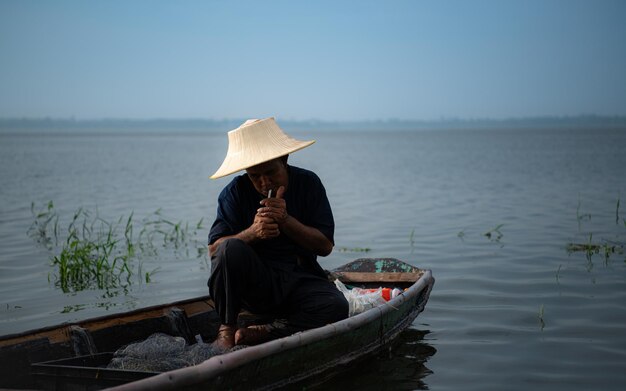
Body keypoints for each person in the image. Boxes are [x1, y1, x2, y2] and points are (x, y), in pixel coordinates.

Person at [207, 117, 349, 351]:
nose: (264, 182)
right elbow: (215, 250)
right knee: (229, 248)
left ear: (285, 160)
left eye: (271, 172)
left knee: (336, 306)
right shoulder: (234, 193)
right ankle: (227, 330)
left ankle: (266, 331)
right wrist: (253, 233)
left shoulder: (308, 183)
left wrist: (286, 220)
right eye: (255, 176)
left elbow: (324, 247)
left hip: (300, 279)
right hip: (257, 286)